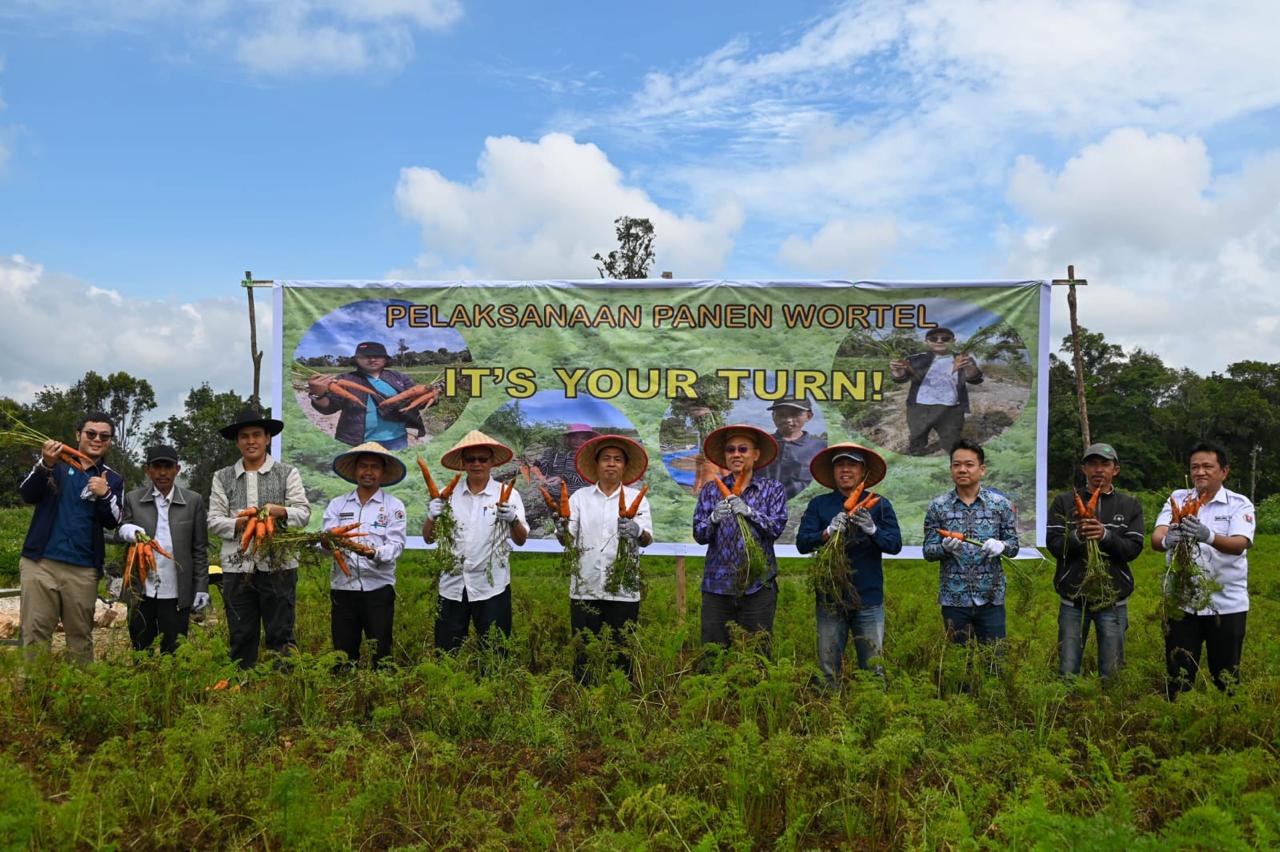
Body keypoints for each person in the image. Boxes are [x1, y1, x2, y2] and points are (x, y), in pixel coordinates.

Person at [18, 412, 125, 664]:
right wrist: (45, 465)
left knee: (80, 637)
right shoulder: (54, 463)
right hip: (41, 563)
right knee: (35, 633)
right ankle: (33, 687)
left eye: (104, 436)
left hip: (83, 568)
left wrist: (105, 494)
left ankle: (79, 687)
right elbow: (27, 494)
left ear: (110, 441)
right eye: (91, 434)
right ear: (78, 435)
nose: (97, 439)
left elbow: (114, 520)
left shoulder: (112, 478)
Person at [208, 408, 311, 668]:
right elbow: (214, 521)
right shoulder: (222, 477)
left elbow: (303, 514)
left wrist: (280, 511)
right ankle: (243, 679)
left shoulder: (287, 473)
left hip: (279, 565)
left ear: (267, 438)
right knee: (241, 632)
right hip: (237, 565)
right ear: (237, 441)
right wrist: (243, 522)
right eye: (244, 436)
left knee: (281, 631)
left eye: (256, 435)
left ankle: (283, 681)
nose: (251, 441)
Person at [1153, 440, 1255, 698]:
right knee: (1178, 673)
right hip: (1181, 602)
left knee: (1226, 676)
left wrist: (1208, 536)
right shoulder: (1178, 497)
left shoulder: (1239, 504)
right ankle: (1178, 710)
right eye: (1194, 467)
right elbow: (1157, 536)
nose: (1200, 472)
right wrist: (1167, 540)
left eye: (1207, 466)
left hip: (1226, 604)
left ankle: (1227, 715)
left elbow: (1239, 544)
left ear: (1224, 471)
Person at [796, 443, 901, 684]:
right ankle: (828, 703)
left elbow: (895, 544)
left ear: (863, 471)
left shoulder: (880, 505)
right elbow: (802, 543)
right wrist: (827, 532)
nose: (845, 470)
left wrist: (873, 530)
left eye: (852, 465)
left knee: (873, 667)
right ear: (833, 471)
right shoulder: (819, 504)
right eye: (840, 465)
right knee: (828, 668)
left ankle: (874, 703)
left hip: (868, 598)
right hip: (830, 597)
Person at [558, 434, 653, 680]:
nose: (611, 463)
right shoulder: (580, 498)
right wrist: (561, 529)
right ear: (597, 464)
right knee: (584, 654)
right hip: (585, 587)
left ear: (624, 466)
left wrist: (637, 531)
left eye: (617, 459)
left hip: (623, 588)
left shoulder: (636, 499)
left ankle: (619, 695)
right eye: (606, 458)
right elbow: (567, 539)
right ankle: (583, 695)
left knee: (621, 654)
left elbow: (647, 538)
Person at [1045, 442, 1144, 678]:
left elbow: (1133, 549)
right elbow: (1055, 546)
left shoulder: (1129, 504)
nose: (1098, 469)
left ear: (1115, 469)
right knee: (1068, 668)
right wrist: (1077, 536)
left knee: (1112, 669)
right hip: (1073, 598)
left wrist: (1106, 536)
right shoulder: (1064, 502)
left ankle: (1109, 700)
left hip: (1112, 598)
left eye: (1105, 464)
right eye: (1092, 464)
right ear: (1084, 469)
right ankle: (1068, 698)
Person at [425, 430, 528, 652]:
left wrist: (513, 520)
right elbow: (428, 538)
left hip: (491, 585)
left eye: (483, 459)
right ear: (463, 463)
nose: (477, 464)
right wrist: (431, 517)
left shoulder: (508, 495)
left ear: (492, 462)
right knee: (446, 651)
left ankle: (491, 676)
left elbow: (521, 540)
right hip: (452, 584)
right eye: (471, 459)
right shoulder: (446, 495)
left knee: (494, 651)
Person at [692, 424, 788, 654]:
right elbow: (699, 534)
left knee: (757, 653)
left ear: (756, 454)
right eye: (731, 449)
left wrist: (750, 512)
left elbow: (776, 528)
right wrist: (713, 518)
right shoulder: (711, 490)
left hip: (758, 584)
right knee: (713, 653)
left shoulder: (773, 489)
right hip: (717, 585)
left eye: (743, 449)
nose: (736, 454)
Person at [922, 439, 1020, 650]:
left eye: (969, 464)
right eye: (956, 465)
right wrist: (944, 549)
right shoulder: (938, 507)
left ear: (982, 469)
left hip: (991, 598)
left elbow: (1013, 546)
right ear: (951, 469)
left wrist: (1002, 546)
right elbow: (928, 551)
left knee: (993, 659)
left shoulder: (1000, 505)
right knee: (958, 661)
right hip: (954, 599)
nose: (962, 470)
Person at [116, 445, 210, 654]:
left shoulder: (192, 501)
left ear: (177, 469)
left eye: (168, 467)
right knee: (142, 648)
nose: (162, 473)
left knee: (174, 651)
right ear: (147, 470)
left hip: (176, 591)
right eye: (156, 467)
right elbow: (119, 531)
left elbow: (199, 549)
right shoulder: (133, 499)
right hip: (142, 590)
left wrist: (201, 586)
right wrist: (127, 530)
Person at [321, 442, 407, 667]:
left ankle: (382, 686)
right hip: (343, 587)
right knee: (343, 653)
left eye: (374, 467)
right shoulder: (338, 505)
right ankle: (344, 685)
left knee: (382, 652)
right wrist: (326, 542)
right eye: (363, 466)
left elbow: (396, 546)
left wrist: (373, 553)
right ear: (355, 470)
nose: (368, 472)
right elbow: (327, 543)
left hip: (378, 589)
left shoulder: (393, 506)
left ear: (383, 473)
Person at [306, 341, 430, 449]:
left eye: (377, 356)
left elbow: (418, 401)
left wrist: (433, 394)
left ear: (385, 359)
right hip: (356, 441)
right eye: (366, 356)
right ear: (357, 359)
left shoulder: (399, 377)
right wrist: (318, 393)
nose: (372, 360)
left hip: (396, 439)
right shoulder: (344, 379)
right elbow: (329, 407)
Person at [889, 327, 983, 456]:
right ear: (927, 341)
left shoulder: (964, 358)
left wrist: (970, 368)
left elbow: (975, 380)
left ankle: (951, 458)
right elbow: (901, 379)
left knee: (952, 438)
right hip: (919, 407)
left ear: (953, 341)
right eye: (934, 338)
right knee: (917, 434)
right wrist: (897, 371)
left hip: (952, 407)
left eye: (945, 338)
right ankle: (916, 454)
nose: (939, 341)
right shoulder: (914, 359)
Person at [756, 397, 827, 499]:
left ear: (809, 416)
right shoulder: (759, 444)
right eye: (781, 414)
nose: (788, 420)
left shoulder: (822, 447)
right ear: (773, 416)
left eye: (795, 414)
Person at [533, 423, 599, 496]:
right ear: (568, 438)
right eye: (574, 437)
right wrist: (536, 464)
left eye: (583, 438)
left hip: (577, 496)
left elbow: (586, 477)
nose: (578, 441)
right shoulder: (557, 453)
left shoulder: (591, 456)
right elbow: (545, 471)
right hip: (554, 493)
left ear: (589, 439)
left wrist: (563, 478)